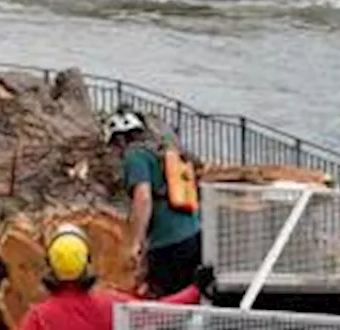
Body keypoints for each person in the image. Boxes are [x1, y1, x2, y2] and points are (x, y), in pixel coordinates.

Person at [18, 223, 209, 330]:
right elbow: (158, 313)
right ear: (88, 261)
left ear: (50, 265)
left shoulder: (38, 318)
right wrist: (196, 289)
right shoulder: (109, 304)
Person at [106, 106, 203, 299]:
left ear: (120, 139)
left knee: (164, 303)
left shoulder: (134, 156)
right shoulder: (160, 150)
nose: (115, 152)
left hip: (168, 243)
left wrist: (136, 242)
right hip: (192, 234)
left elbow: (143, 198)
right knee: (186, 297)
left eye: (114, 146)